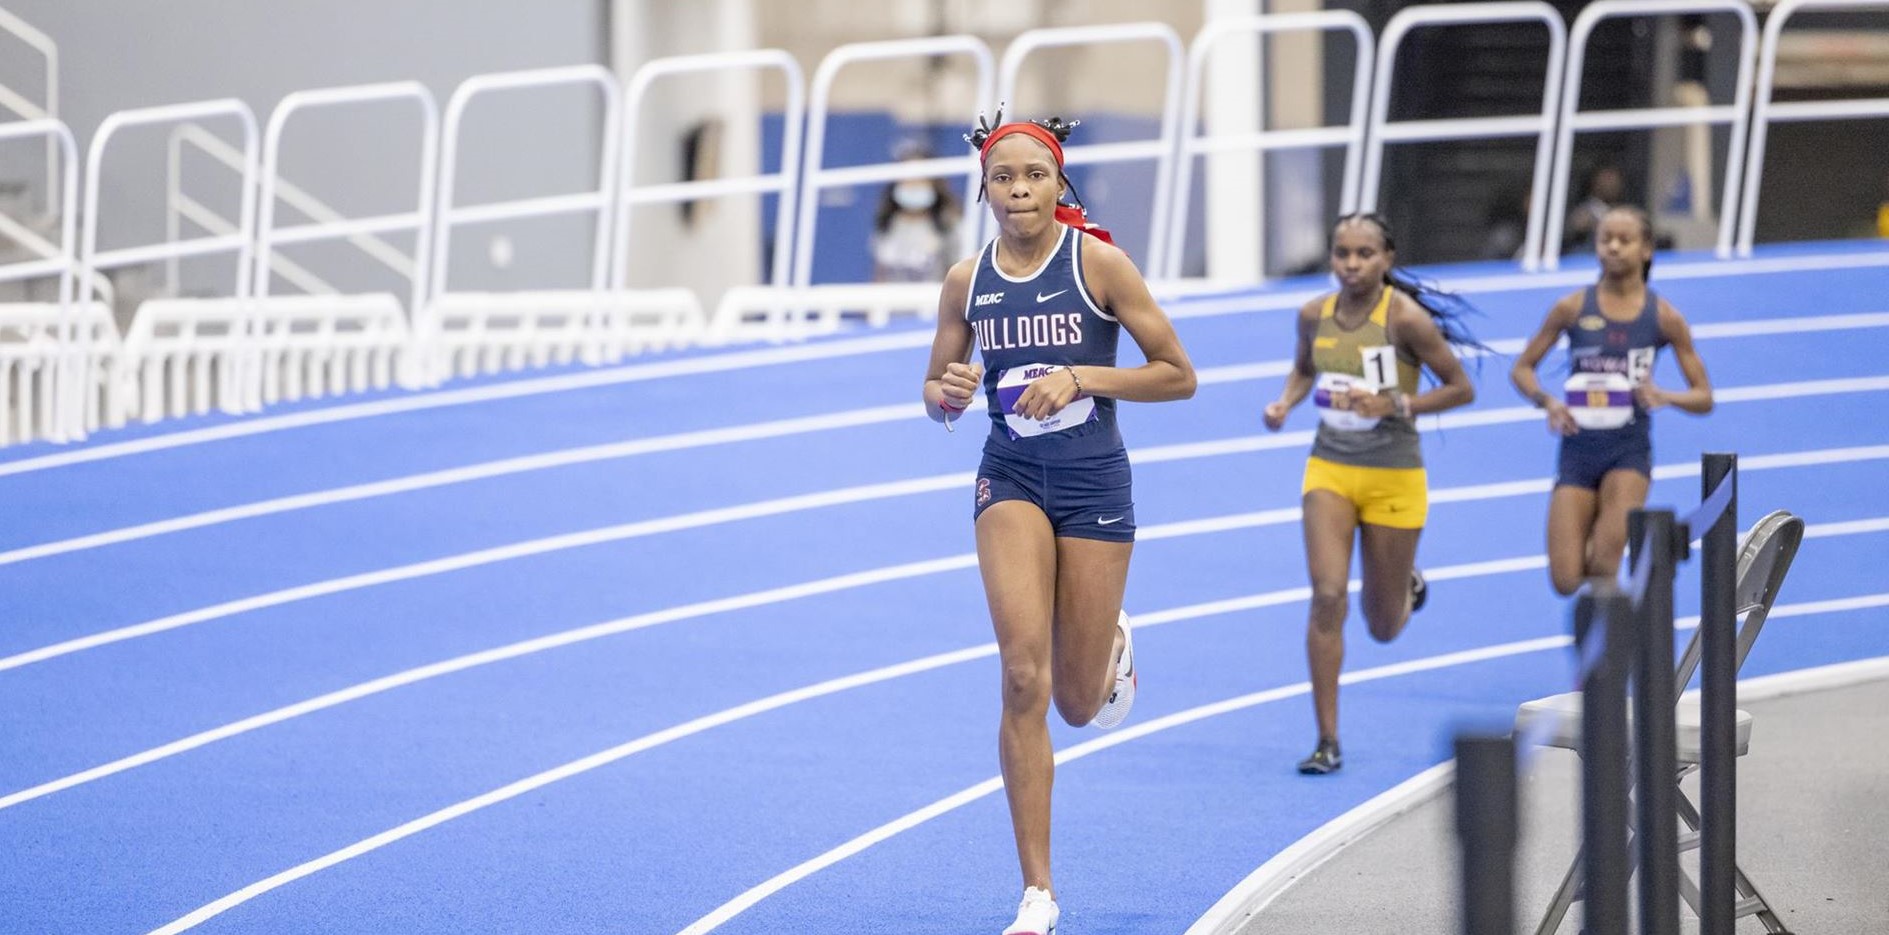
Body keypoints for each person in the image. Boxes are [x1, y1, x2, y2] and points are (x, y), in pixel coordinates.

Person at [921, 110, 1196, 935]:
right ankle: (1037, 890)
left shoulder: (1099, 264)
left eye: (1032, 176)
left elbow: (1177, 375)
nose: (1018, 191)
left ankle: (1109, 643)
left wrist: (1082, 376)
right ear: (984, 188)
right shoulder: (964, 281)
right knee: (1019, 677)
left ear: (1057, 183)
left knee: (1077, 702)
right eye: (1002, 178)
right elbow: (934, 392)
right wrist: (947, 396)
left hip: (1091, 483)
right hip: (1007, 477)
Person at [1261, 213, 1483, 776]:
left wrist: (1396, 404)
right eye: (1342, 254)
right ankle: (1327, 739)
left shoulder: (1405, 319)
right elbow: (1303, 370)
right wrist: (1285, 402)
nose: (1352, 265)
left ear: (1387, 258)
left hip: (1394, 475)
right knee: (1328, 594)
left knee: (1383, 626)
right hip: (1330, 469)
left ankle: (1404, 585)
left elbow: (1461, 388)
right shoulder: (1313, 314)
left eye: (1364, 254)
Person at [1511, 205, 1713, 596]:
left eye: (1625, 240)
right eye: (1606, 240)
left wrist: (1664, 396)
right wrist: (1547, 402)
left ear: (1647, 250)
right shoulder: (1571, 308)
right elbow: (1522, 368)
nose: (1614, 248)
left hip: (1628, 452)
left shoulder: (1665, 318)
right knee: (1566, 579)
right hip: (1577, 450)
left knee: (1604, 566)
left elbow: (1704, 397)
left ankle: (1618, 646)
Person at [872, 141, 958, 282]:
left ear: (933, 182)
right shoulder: (886, 223)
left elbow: (956, 275)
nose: (913, 185)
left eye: (920, 179)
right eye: (908, 179)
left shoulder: (947, 225)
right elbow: (879, 276)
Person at [1565, 163, 1625, 251]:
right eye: (1606, 180)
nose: (1611, 185)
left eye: (1614, 180)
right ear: (1594, 182)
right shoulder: (1581, 212)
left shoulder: (1625, 213)